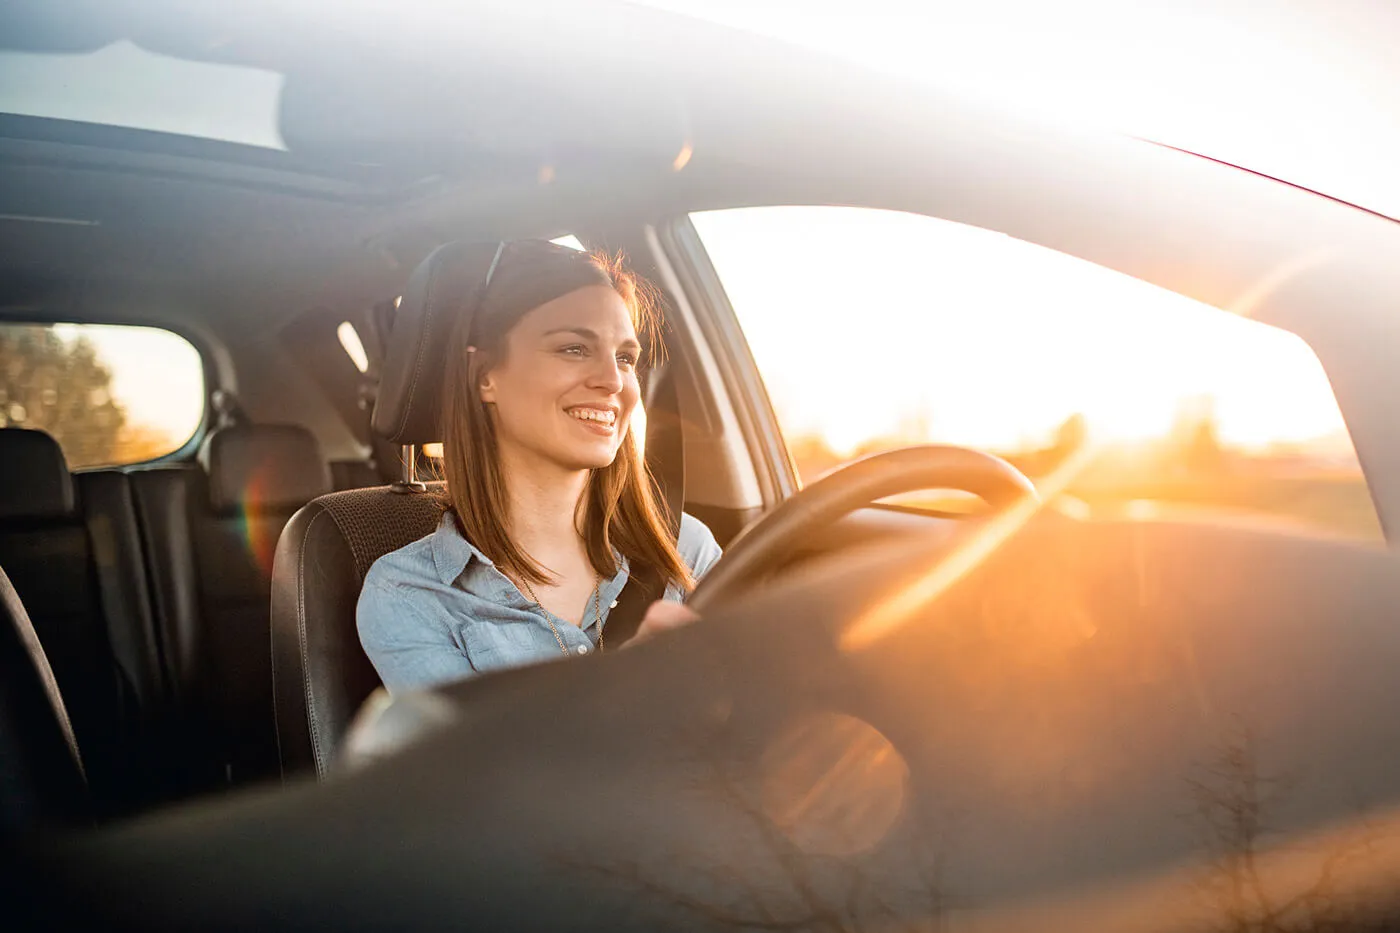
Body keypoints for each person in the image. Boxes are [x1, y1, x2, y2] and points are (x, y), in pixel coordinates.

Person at [358, 240, 721, 693]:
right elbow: (484, 765)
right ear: (485, 374)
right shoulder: (410, 594)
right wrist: (628, 694)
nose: (613, 381)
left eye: (625, 358)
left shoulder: (684, 548)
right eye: (573, 348)